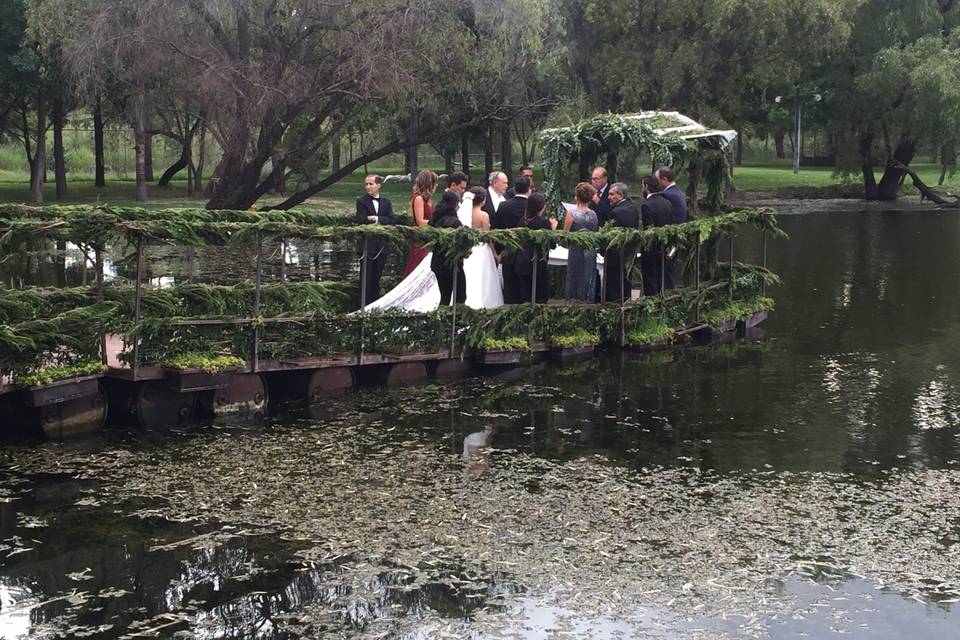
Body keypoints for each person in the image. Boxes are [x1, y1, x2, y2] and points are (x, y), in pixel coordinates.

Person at [356, 174, 396, 303]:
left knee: (377, 276)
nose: (368, 187)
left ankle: (375, 304)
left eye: (371, 184)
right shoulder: (362, 201)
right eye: (366, 184)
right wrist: (379, 220)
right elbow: (361, 220)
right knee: (366, 277)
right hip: (367, 245)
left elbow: (391, 220)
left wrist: (374, 218)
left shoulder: (386, 202)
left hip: (382, 245)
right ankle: (364, 304)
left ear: (378, 185)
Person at [462, 186, 504, 309]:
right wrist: (495, 254)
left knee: (469, 276)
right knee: (484, 278)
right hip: (481, 249)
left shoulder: (465, 213)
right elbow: (488, 237)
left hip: (469, 248)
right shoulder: (483, 215)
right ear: (483, 200)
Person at [495, 176, 531, 303]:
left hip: (508, 252)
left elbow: (497, 230)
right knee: (525, 291)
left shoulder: (504, 206)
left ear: (514, 189)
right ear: (529, 190)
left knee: (510, 291)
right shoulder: (532, 206)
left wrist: (499, 251)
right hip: (527, 255)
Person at [516, 192, 557, 303]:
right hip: (537, 264)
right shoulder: (543, 223)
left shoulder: (522, 221)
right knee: (540, 297)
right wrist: (553, 228)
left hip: (522, 262)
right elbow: (551, 244)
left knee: (525, 296)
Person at [639, 175, 676, 295]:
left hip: (652, 251)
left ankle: (652, 305)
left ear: (646, 186)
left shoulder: (647, 205)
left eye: (642, 186)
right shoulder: (667, 203)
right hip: (665, 248)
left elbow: (648, 230)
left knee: (651, 282)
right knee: (663, 281)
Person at [604, 182, 640, 302]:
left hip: (616, 255)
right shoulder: (633, 209)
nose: (608, 197)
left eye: (611, 194)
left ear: (620, 195)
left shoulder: (615, 212)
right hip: (629, 254)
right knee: (626, 282)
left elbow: (611, 236)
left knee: (614, 286)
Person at [429, 191, 467, 305]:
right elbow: (461, 243)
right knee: (460, 296)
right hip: (452, 264)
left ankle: (442, 318)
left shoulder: (435, 220)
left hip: (437, 262)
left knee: (445, 296)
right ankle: (458, 321)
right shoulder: (454, 222)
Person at [564, 182, 599, 302]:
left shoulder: (571, 214)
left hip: (576, 250)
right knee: (588, 277)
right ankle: (588, 300)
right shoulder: (594, 214)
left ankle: (573, 302)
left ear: (576, 197)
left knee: (575, 277)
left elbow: (565, 235)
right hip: (590, 251)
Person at [401, 170, 437, 277]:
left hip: (429, 237)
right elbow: (420, 221)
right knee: (418, 263)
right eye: (435, 183)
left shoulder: (428, 200)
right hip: (420, 239)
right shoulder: (418, 198)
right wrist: (436, 223)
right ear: (429, 184)